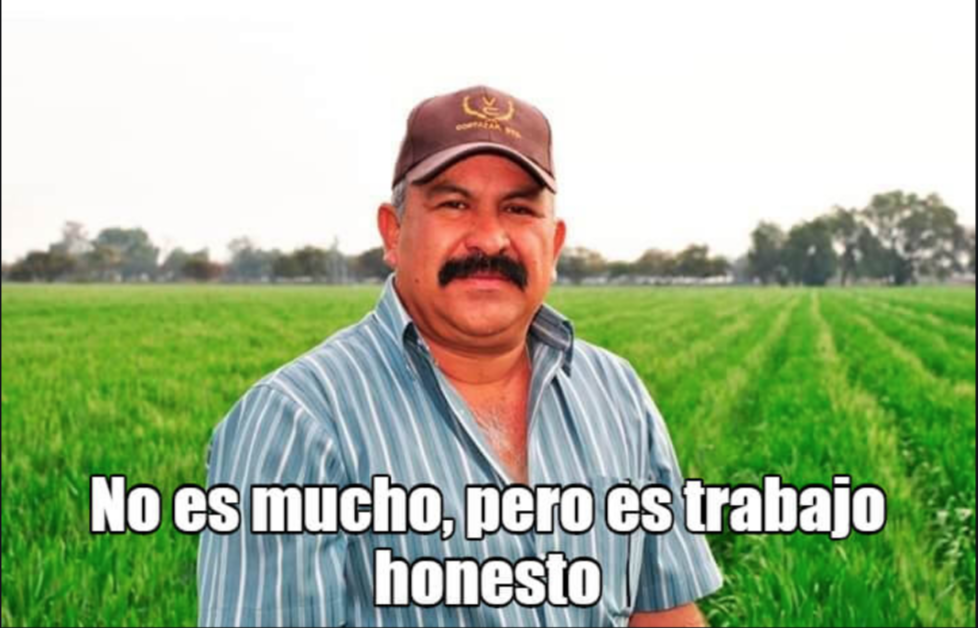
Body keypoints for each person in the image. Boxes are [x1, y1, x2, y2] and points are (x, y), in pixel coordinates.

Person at [198, 85, 722, 627]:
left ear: (555, 244)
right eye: (454, 204)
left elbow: (663, 617)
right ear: (394, 232)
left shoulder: (615, 393)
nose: (490, 239)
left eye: (518, 209)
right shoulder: (296, 421)